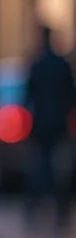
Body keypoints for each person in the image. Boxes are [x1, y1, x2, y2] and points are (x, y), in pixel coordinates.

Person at [23, 22, 76, 227]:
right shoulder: (62, 64)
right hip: (59, 123)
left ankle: (34, 211)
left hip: (42, 124)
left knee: (41, 166)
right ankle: (59, 215)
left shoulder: (37, 64)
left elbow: (27, 95)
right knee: (59, 168)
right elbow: (72, 94)